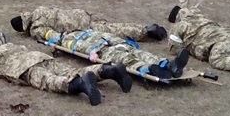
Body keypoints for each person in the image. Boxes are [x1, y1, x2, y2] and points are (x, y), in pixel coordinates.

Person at [0, 42, 132, 106]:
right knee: (71, 70)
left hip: (25, 69)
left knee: (49, 80)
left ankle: (79, 84)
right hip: (40, 57)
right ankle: (109, 70)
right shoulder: (8, 45)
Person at [39, 27, 190, 82]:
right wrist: (94, 52)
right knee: (128, 59)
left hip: (111, 44)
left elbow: (101, 34)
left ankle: (169, 64)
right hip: (104, 50)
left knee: (138, 52)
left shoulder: (80, 32)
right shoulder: (67, 40)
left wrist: (117, 41)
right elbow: (80, 47)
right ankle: (151, 68)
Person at [11, 6, 168, 44]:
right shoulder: (39, 10)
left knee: (114, 32)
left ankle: (146, 31)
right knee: (112, 26)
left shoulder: (36, 28)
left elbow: (54, 38)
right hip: (81, 14)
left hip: (79, 27)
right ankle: (145, 28)